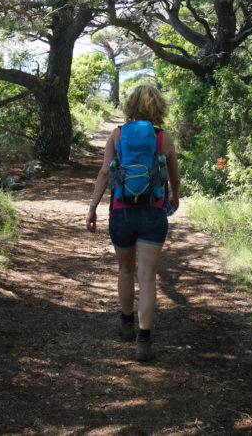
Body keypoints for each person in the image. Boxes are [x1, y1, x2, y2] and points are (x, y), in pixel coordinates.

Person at [86, 84, 180, 362]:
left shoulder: (117, 134)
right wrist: (174, 197)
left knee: (125, 270)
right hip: (153, 213)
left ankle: (126, 323)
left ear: (130, 106)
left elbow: (105, 173)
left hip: (121, 212)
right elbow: (174, 179)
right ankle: (144, 340)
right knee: (147, 277)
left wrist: (92, 207)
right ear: (158, 107)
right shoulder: (164, 138)